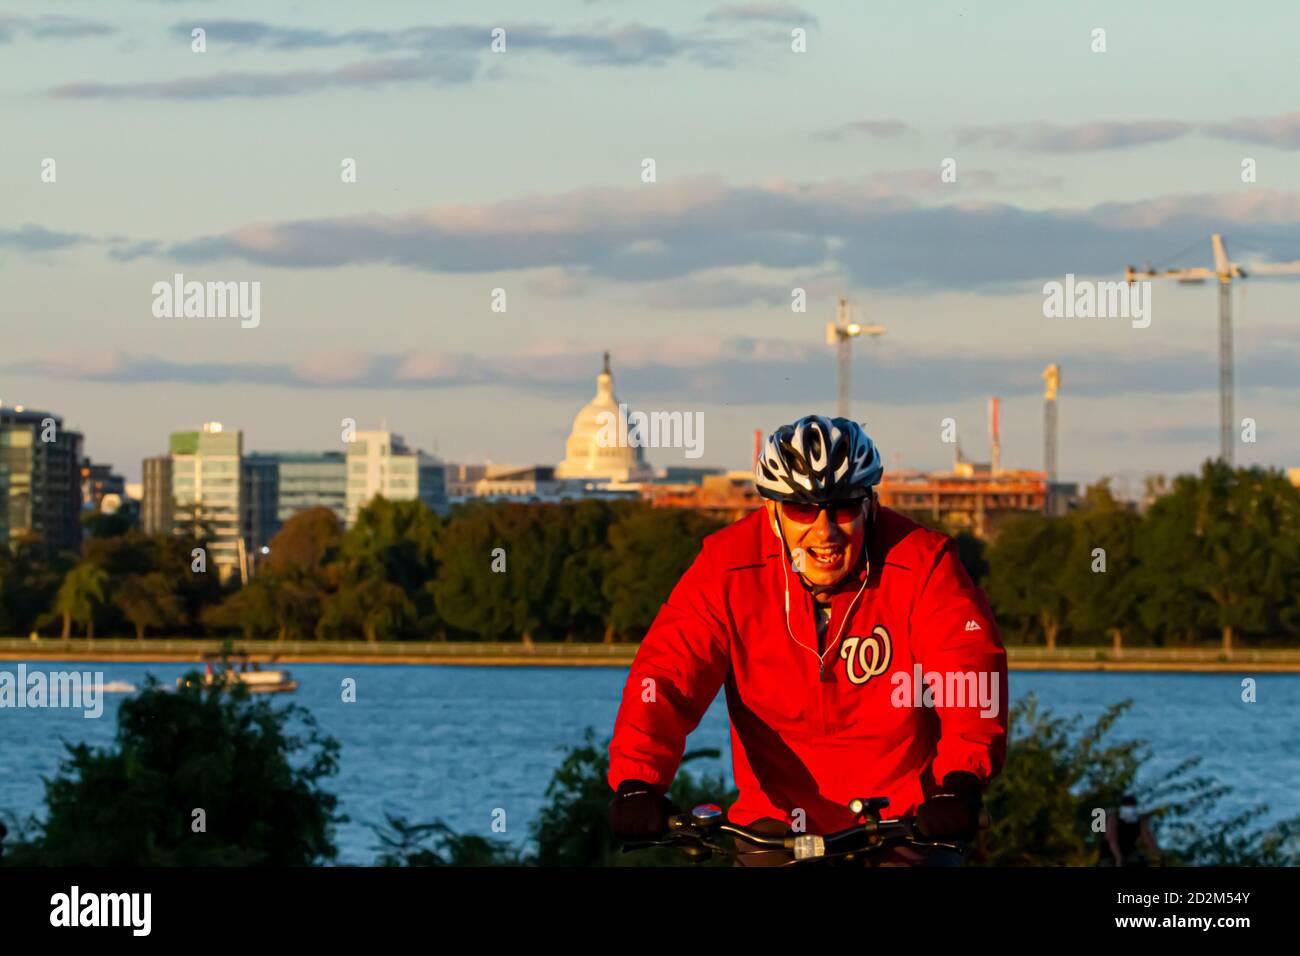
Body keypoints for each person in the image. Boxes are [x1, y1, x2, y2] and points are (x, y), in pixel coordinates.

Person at [608, 415, 1008, 865]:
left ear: (869, 504)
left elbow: (969, 673)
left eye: (842, 508)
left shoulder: (924, 563)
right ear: (773, 512)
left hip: (905, 820)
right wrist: (639, 782)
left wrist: (960, 782)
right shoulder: (726, 567)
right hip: (774, 823)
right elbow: (666, 676)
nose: (824, 531)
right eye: (802, 510)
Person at [1104, 794, 1162, 867]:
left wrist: (1157, 854)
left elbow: (1146, 837)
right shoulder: (1114, 816)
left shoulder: (1139, 819)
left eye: (1131, 805)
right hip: (1110, 854)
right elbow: (1111, 839)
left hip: (1130, 853)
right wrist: (1118, 858)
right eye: (1127, 805)